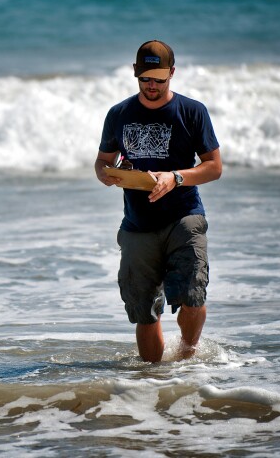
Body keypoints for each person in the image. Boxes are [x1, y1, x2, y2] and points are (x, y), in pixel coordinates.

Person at [94, 40, 222, 363]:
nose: (152, 86)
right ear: (135, 74)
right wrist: (110, 175)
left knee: (193, 297)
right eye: (145, 79)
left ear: (172, 74)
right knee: (144, 312)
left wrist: (175, 177)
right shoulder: (119, 114)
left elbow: (214, 167)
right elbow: (101, 163)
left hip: (184, 216)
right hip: (138, 224)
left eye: (159, 80)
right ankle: (153, 383)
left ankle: (187, 359)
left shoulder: (192, 112)